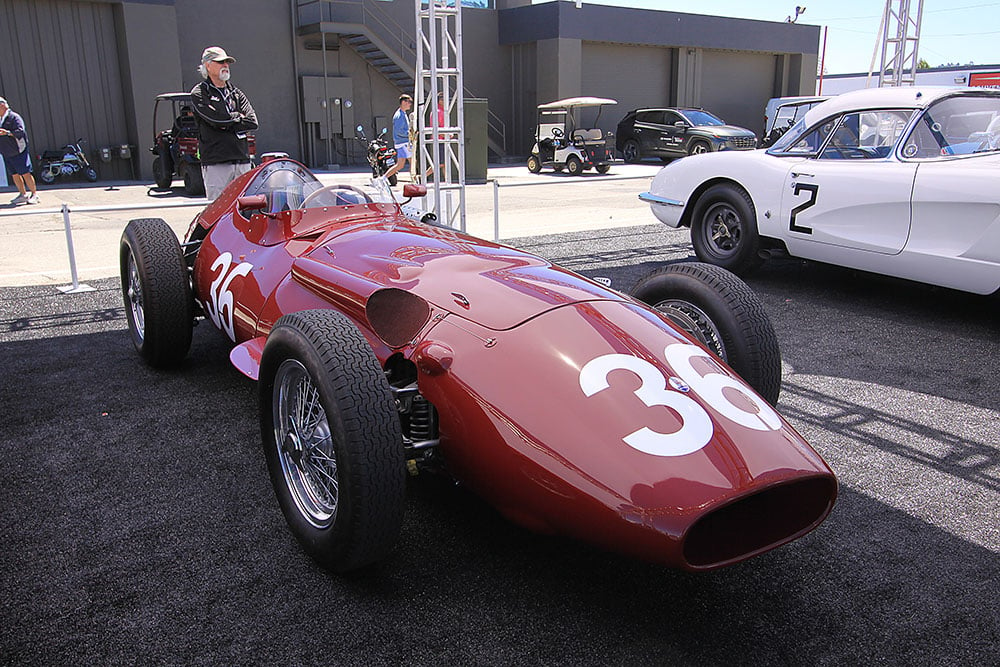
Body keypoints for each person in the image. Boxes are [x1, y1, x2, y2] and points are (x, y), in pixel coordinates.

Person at [190, 46, 258, 200]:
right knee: (218, 211)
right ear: (208, 65)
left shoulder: (236, 93)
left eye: (227, 62)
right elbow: (215, 120)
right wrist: (237, 117)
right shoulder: (200, 93)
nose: (225, 65)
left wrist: (228, 121)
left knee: (247, 209)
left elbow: (253, 122)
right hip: (216, 163)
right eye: (220, 62)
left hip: (242, 161)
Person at [0, 97, 40, 205]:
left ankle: (34, 194)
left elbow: (20, 131)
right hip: (6, 152)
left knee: (25, 173)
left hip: (19, 151)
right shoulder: (0, 119)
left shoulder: (14, 117)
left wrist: (7, 133)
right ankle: (23, 195)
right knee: (14, 174)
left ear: (2, 105)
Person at [385, 94, 413, 182]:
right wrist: (410, 134)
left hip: (402, 143)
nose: (410, 104)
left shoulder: (401, 114)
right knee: (412, 163)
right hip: (404, 143)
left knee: (400, 165)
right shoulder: (399, 115)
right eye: (409, 102)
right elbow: (399, 131)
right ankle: (415, 181)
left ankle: (383, 179)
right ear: (403, 102)